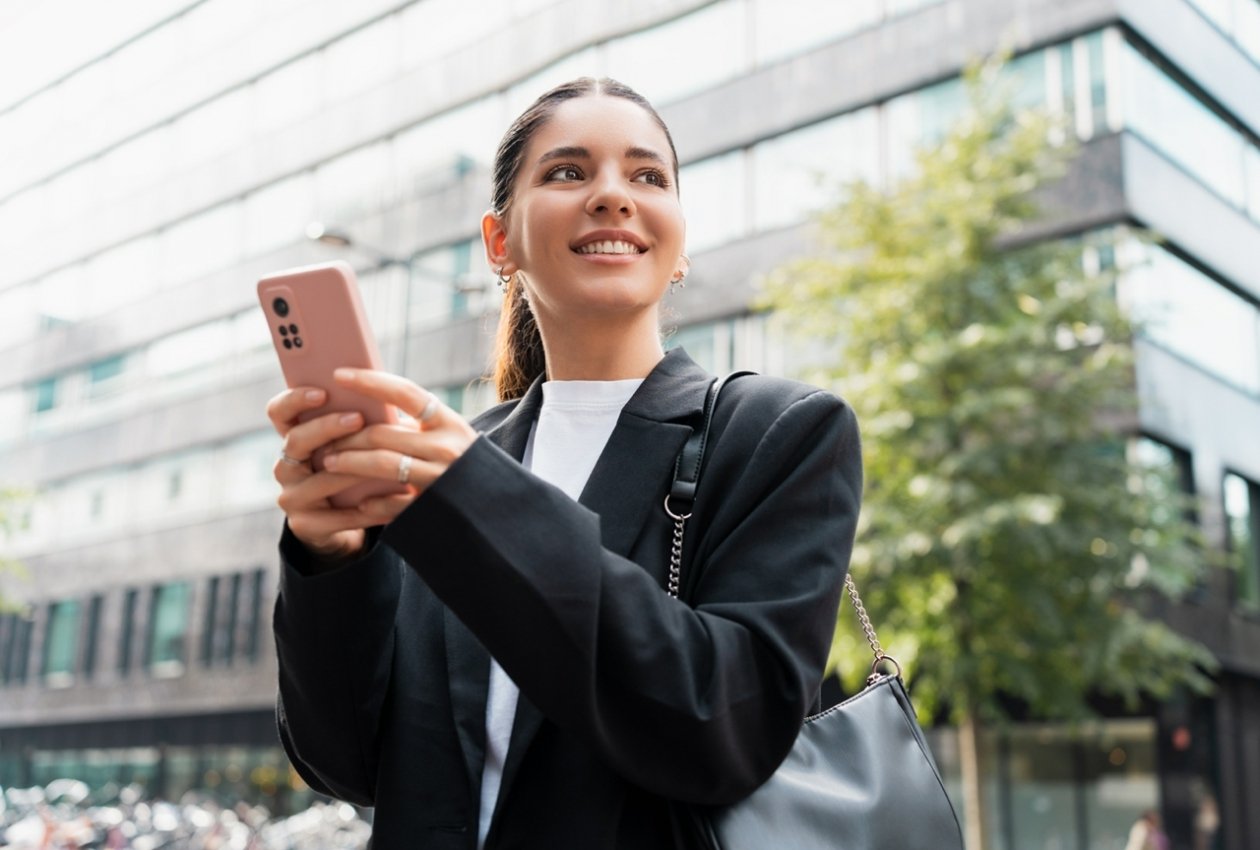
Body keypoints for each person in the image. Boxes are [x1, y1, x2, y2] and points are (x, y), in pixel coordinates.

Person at [266, 77, 863, 849]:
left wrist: (470, 497)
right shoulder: (446, 459)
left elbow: (728, 728)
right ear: (498, 242)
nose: (613, 196)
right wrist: (330, 560)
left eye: (648, 176)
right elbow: (345, 762)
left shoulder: (780, 433)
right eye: (568, 172)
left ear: (678, 241)